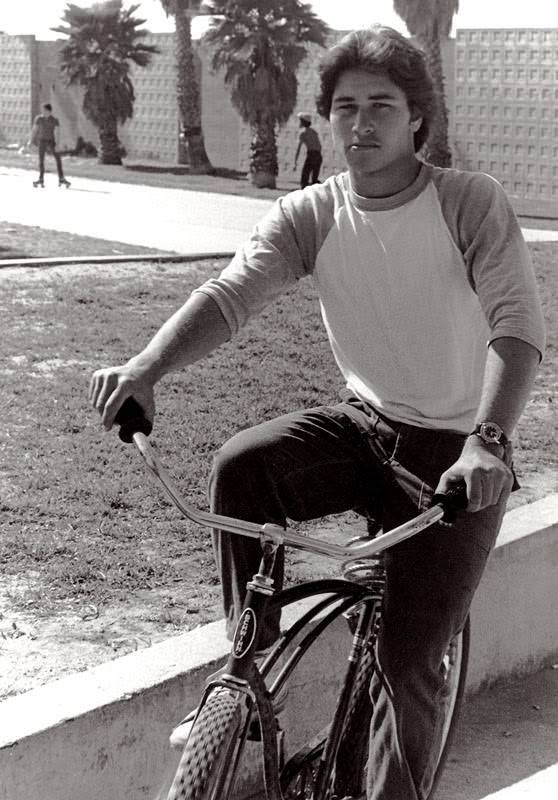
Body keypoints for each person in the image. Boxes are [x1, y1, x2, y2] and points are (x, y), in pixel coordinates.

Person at [89, 25, 545, 800]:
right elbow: (230, 295)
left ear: (417, 119)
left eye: (382, 107)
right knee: (244, 464)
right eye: (345, 107)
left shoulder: (467, 201)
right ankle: (249, 666)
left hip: (458, 458)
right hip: (365, 427)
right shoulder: (314, 211)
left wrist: (489, 444)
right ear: (327, 118)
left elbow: (517, 328)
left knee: (408, 668)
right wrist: (146, 368)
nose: (361, 125)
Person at [30, 103, 71, 188]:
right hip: (41, 141)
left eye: (44, 110)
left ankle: (61, 178)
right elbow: (34, 130)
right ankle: (41, 179)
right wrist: (31, 140)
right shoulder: (39, 119)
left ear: (49, 111)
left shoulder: (54, 120)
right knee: (41, 160)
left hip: (51, 141)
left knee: (58, 159)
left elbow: (57, 132)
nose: (43, 112)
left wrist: (57, 144)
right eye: (42, 110)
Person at [294, 111, 323, 188]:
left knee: (304, 179)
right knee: (314, 180)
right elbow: (319, 146)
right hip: (318, 155)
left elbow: (298, 148)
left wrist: (295, 161)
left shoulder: (303, 133)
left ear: (303, 122)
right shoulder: (314, 132)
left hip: (311, 155)